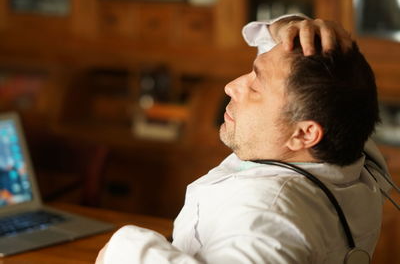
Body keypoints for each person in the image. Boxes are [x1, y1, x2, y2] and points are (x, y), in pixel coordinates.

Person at [95, 15, 395, 264]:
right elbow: (291, 80)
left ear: (304, 133)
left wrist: (128, 249)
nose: (231, 87)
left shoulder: (266, 213)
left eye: (255, 88)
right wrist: (289, 28)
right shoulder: (346, 150)